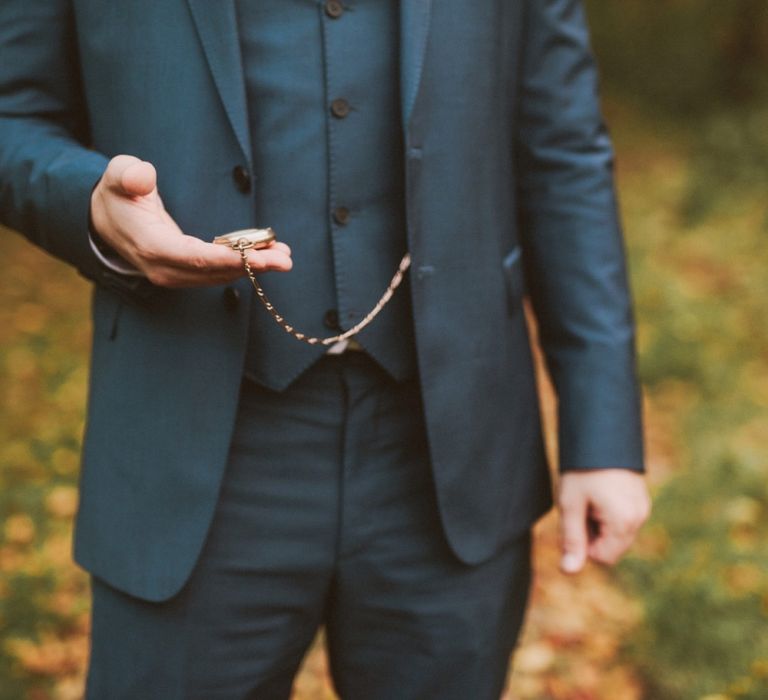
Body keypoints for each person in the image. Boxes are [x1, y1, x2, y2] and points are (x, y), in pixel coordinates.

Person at [0, 1, 651, 698]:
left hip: (454, 454)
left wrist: (602, 432)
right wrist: (89, 206)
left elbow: (564, 150)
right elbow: (12, 116)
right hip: (186, 450)